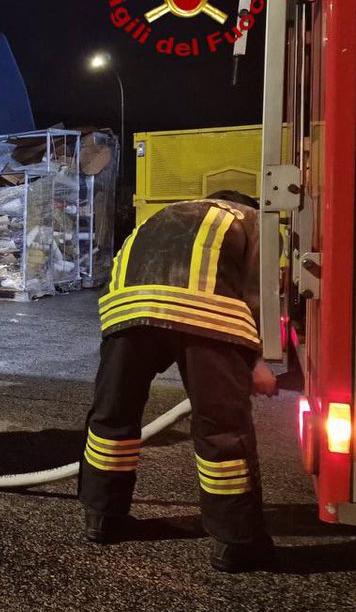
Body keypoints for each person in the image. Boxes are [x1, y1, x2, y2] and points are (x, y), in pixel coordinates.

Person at [78, 190, 278, 572]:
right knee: (221, 428)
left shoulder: (162, 215)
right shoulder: (251, 220)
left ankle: (102, 519)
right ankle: (237, 542)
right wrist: (258, 359)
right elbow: (259, 295)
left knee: (112, 417)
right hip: (208, 317)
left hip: (127, 312)